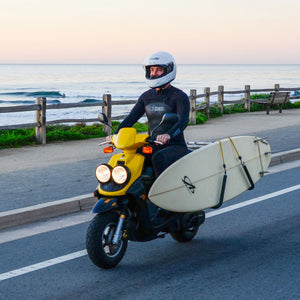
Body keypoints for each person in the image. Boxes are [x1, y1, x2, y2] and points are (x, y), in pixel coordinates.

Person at [108, 51, 190, 178]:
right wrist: (116, 134)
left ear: (168, 71)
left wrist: (168, 135)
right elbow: (131, 118)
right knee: (133, 156)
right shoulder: (146, 97)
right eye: (152, 70)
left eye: (159, 70)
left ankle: (162, 193)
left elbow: (183, 120)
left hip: (175, 145)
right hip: (152, 143)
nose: (154, 73)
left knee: (159, 158)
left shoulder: (179, 96)